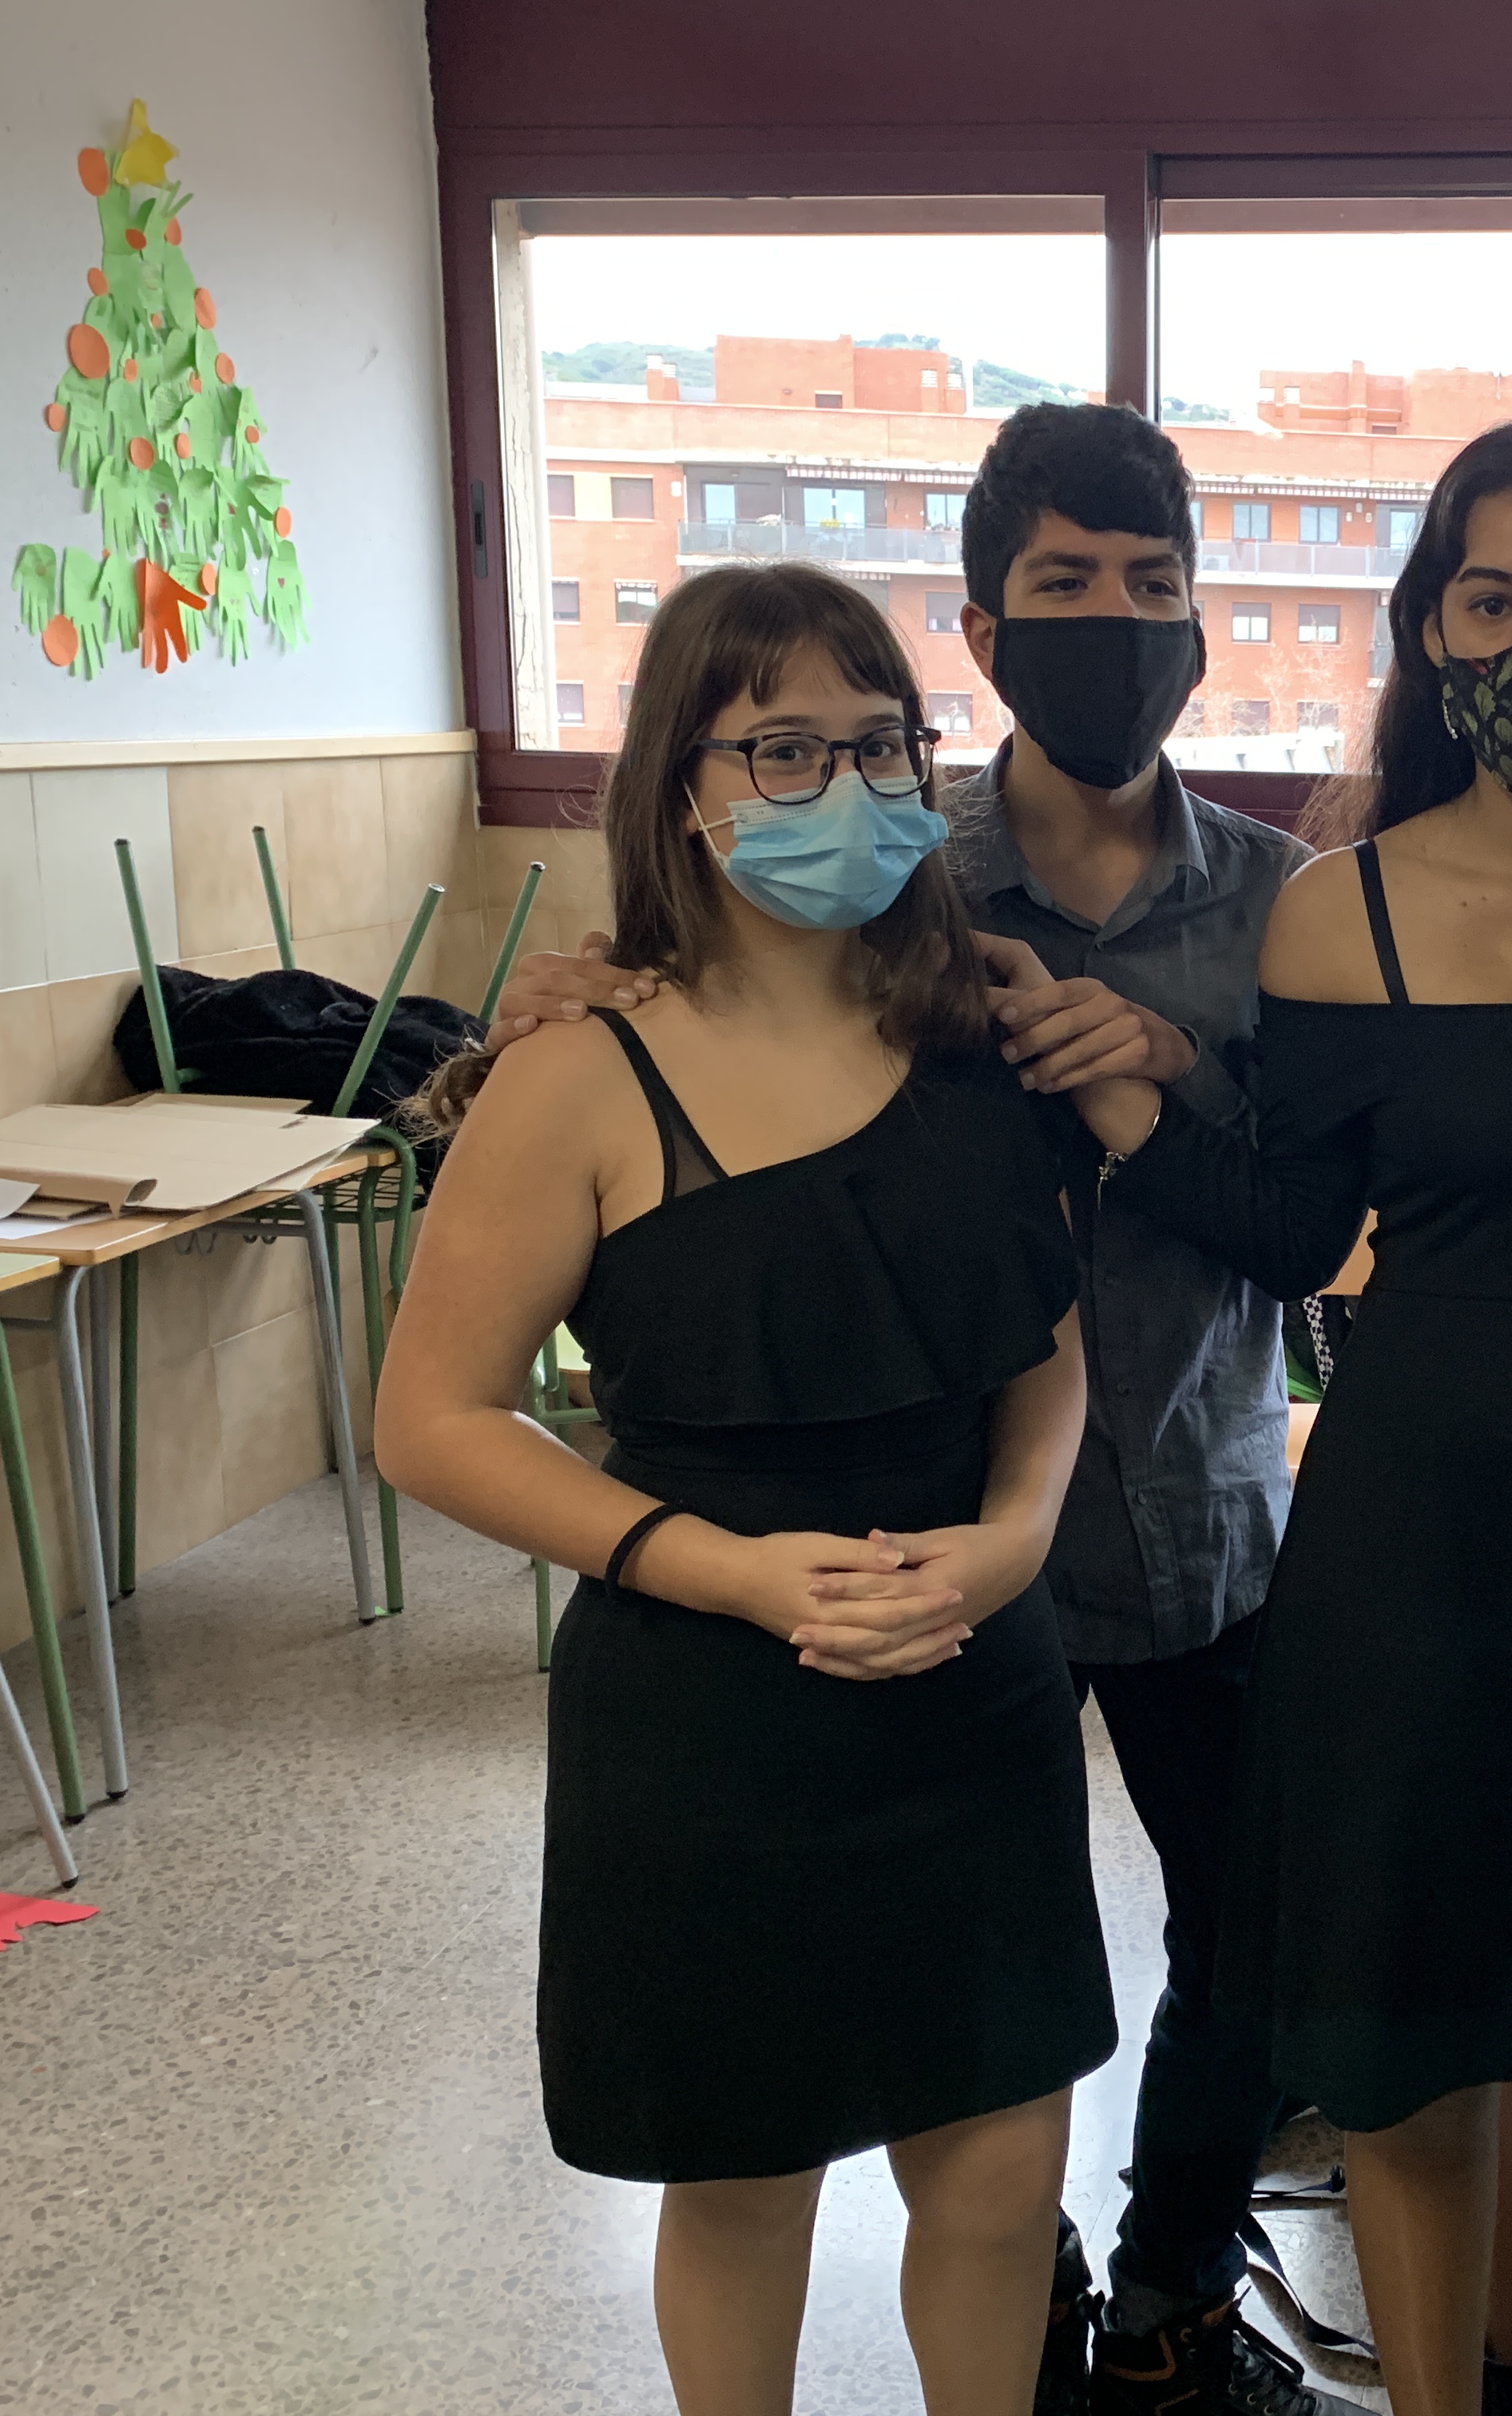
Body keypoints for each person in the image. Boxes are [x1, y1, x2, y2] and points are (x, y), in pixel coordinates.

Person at [478, 403, 1339, 2416]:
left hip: (1167, 1530)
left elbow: (1292, 1232)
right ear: (986, 622)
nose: (1114, 622)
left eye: (1152, 585)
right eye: (1064, 585)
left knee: (1207, 1981)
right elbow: (473, 1377)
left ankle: (1174, 2301)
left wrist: (1162, 1080)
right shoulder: (893, 915)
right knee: (826, 2123)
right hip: (836, 1621)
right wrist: (557, 1017)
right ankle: (1034, 2315)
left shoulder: (1258, 911)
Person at [375, 561, 1112, 2416]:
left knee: (1002, 2175)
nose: (841, 787)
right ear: (681, 782)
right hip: (711, 1706)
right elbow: (435, 1420)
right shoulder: (577, 1075)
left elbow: (1043, 1352)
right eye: (783, 748)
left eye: (879, 745)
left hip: (973, 1676)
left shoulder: (977, 1039)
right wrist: (737, 1575)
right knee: (744, 2177)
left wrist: (1015, 1543)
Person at [1062, 415, 1512, 2416]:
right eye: (1493, 598)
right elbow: (1297, 1226)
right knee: (1414, 2031)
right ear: (1431, 629)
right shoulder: (1336, 910)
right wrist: (1124, 1095)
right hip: (1414, 1528)